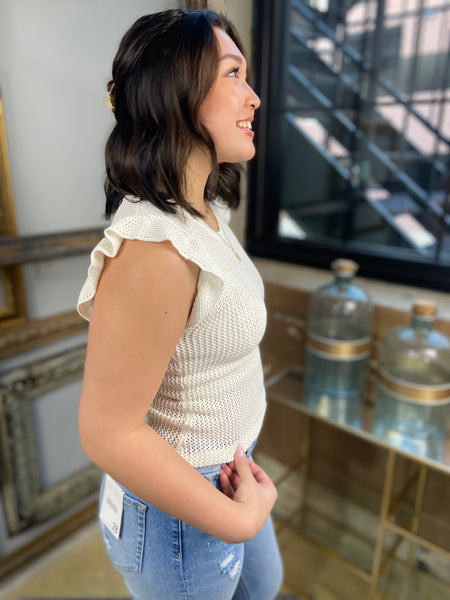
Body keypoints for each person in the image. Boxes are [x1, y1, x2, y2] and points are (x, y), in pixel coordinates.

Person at [77, 8, 283, 600]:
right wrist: (240, 519)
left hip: (231, 462)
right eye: (233, 74)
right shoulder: (155, 249)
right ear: (177, 92)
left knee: (266, 586)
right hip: (180, 507)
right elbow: (107, 431)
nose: (254, 98)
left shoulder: (201, 215)